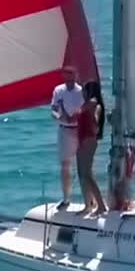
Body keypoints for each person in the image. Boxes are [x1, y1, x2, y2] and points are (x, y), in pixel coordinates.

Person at [50, 65, 84, 209]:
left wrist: (77, 116)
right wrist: (59, 116)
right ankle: (66, 198)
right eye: (66, 74)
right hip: (64, 129)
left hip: (79, 130)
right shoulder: (59, 90)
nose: (69, 77)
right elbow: (53, 110)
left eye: (71, 74)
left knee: (84, 166)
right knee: (65, 165)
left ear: (76, 75)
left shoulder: (82, 91)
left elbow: (86, 110)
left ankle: (88, 199)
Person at [76, 80, 107, 215]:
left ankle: (100, 205)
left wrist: (91, 117)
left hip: (88, 140)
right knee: (82, 173)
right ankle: (88, 203)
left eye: (84, 90)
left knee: (87, 174)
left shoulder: (94, 104)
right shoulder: (89, 104)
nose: (82, 93)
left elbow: (95, 124)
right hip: (83, 139)